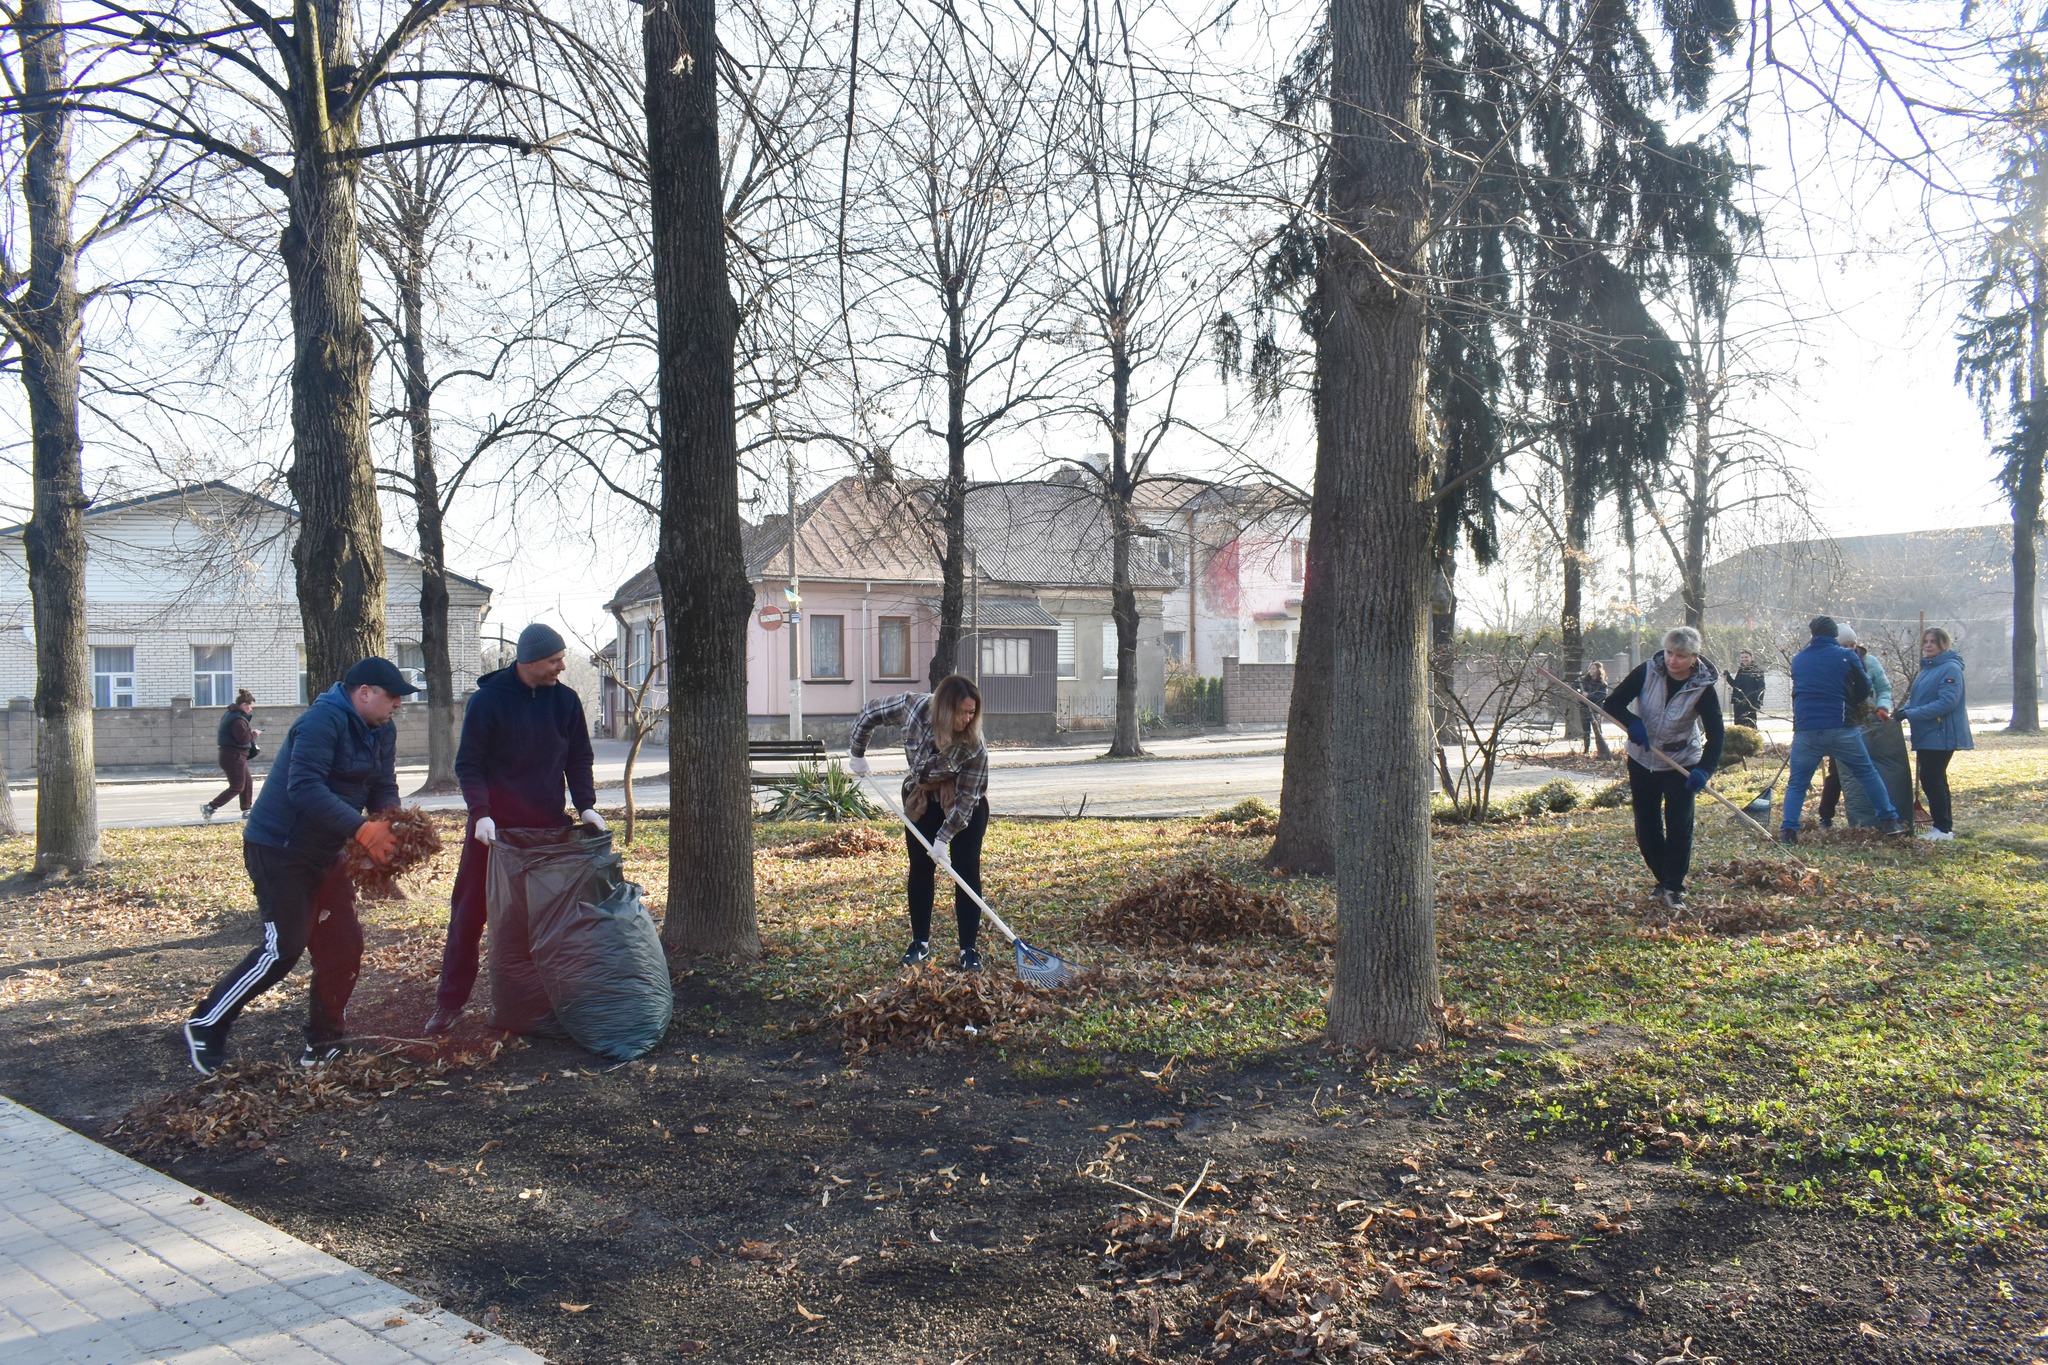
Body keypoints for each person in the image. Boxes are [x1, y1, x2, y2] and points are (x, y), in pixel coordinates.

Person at [182, 659, 413, 1075]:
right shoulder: (321, 722)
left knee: (343, 947)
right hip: (279, 848)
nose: (398, 704)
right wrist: (362, 830)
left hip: (328, 851)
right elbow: (304, 787)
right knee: (283, 948)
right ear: (364, 692)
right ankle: (206, 1022)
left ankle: (324, 1043)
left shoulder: (382, 728)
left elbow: (383, 783)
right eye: (393, 696)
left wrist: (388, 823)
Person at [424, 623, 601, 1037]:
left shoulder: (566, 702)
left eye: (561, 659)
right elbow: (469, 764)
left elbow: (578, 758)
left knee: (547, 920)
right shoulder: (488, 701)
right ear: (529, 661)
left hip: (548, 831)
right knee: (468, 915)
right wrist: (481, 813)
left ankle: (544, 1003)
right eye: (554, 660)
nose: (561, 667)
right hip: (493, 833)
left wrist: (586, 805)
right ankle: (449, 1003)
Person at [848, 675, 991, 971]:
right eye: (961, 712)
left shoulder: (975, 744)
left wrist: (943, 837)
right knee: (921, 869)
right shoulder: (913, 707)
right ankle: (920, 943)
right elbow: (869, 712)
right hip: (922, 801)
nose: (967, 719)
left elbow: (968, 798)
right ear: (944, 709)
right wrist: (857, 752)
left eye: (972, 712)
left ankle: (968, 949)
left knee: (966, 872)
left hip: (962, 807)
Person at [1601, 626, 1725, 910]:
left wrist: (1704, 769)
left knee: (1679, 825)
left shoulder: (1703, 686)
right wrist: (1632, 723)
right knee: (1647, 826)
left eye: (1680, 655)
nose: (1672, 660)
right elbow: (1613, 703)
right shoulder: (1647, 671)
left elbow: (1717, 733)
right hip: (1642, 759)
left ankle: (1673, 886)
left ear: (1694, 657)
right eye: (1669, 653)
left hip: (1681, 761)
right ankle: (1663, 879)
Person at [1777, 616, 1905, 844]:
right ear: (1834, 635)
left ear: (1813, 634)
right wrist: (1851, 702)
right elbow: (1865, 687)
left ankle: (1788, 831)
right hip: (1841, 726)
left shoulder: (1799, 659)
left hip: (1806, 729)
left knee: (1797, 783)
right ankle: (1889, 821)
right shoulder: (1846, 656)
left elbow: (1799, 690)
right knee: (1866, 773)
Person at [1815, 623, 1893, 828]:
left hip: (1871, 723)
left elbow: (1884, 688)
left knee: (1870, 769)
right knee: (1837, 773)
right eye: (1845, 645)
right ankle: (1826, 816)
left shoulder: (1870, 662)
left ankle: (1880, 816)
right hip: (1842, 724)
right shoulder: (1830, 664)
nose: (1850, 649)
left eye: (1853, 645)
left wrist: (1882, 706)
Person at [1898, 626, 1972, 842]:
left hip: (1941, 733)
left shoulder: (1950, 669)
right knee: (1935, 778)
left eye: (1933, 642)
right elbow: (1919, 699)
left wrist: (1911, 714)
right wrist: (1904, 710)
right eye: (1926, 641)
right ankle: (1943, 826)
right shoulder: (1927, 669)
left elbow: (1947, 702)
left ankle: (1942, 828)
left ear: (1944, 644)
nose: (1928, 645)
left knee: (1932, 778)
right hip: (1927, 733)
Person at [201, 689, 262, 822]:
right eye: (250, 707)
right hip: (233, 756)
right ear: (244, 705)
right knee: (237, 786)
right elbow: (243, 738)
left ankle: (247, 810)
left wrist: (249, 733)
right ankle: (210, 807)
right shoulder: (238, 719)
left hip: (235, 755)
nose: (251, 710)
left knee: (247, 782)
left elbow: (239, 735)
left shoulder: (232, 715)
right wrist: (255, 734)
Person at [1575, 663, 1612, 757]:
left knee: (1597, 730)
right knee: (1586, 731)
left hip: (1596, 709)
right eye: (1590, 668)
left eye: (1593, 669)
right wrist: (1580, 693)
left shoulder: (1602, 684)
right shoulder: (1583, 681)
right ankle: (1586, 750)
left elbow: (1601, 696)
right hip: (1584, 707)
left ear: (1598, 670)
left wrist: (1589, 696)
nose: (1591, 670)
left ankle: (1601, 751)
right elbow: (1575, 687)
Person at [1729, 650, 1767, 730]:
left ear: (1751, 658)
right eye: (1742, 657)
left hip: (1750, 703)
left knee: (1750, 726)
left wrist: (1759, 701)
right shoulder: (1741, 671)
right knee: (1739, 727)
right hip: (1738, 702)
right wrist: (1728, 677)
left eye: (1746, 657)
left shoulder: (1757, 671)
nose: (1744, 659)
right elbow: (1736, 685)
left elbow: (1761, 687)